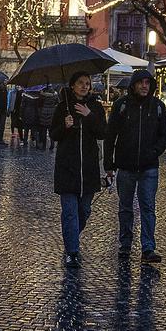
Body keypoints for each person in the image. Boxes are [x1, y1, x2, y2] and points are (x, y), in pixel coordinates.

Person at [103, 69, 166, 264]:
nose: (144, 86)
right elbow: (110, 135)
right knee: (125, 208)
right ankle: (125, 245)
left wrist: (154, 151)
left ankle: (148, 248)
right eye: (141, 82)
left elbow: (165, 135)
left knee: (148, 207)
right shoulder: (121, 106)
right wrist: (109, 163)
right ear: (133, 85)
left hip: (149, 166)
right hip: (125, 165)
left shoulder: (157, 107)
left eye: (147, 83)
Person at [50, 71, 108, 268]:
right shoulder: (62, 108)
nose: (85, 86)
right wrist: (65, 126)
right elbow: (54, 135)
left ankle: (71, 235)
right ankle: (72, 251)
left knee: (83, 210)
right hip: (67, 167)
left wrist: (89, 116)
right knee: (70, 213)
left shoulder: (96, 107)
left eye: (87, 83)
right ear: (72, 85)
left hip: (89, 169)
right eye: (81, 83)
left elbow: (103, 132)